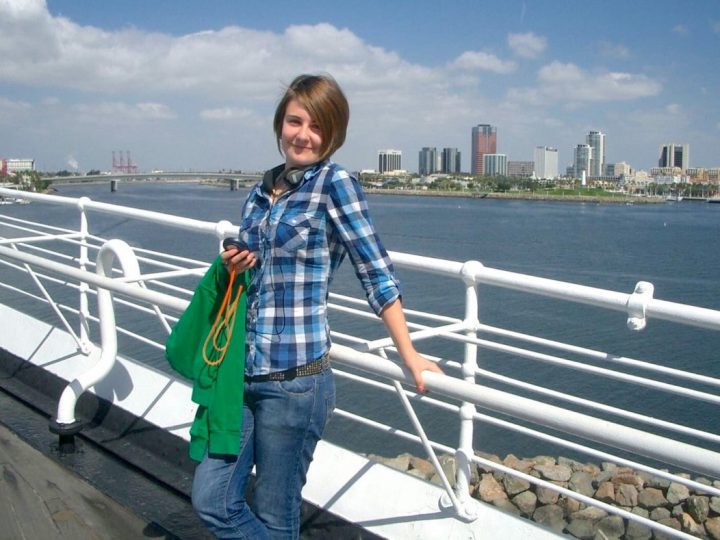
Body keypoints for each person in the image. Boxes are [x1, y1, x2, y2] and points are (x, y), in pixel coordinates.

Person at [191, 73, 443, 539]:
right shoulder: (260, 189)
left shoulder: (335, 184)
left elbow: (376, 271)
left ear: (333, 135)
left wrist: (409, 354)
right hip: (240, 372)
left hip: (296, 384)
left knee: (275, 515)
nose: (303, 135)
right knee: (213, 499)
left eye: (317, 127)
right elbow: (257, 272)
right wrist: (235, 260)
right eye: (294, 121)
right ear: (279, 124)